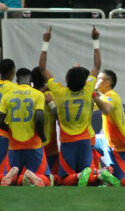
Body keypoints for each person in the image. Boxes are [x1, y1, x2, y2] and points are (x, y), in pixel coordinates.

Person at [38, 25, 100, 186]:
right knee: (89, 178)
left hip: (67, 142)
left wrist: (45, 43)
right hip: (85, 140)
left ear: (67, 79)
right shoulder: (87, 90)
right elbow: (97, 66)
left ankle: (81, 176)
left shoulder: (59, 92)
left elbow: (42, 68)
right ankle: (99, 176)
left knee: (65, 179)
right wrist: (95, 41)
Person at [0, 68, 51, 187]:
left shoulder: (7, 95)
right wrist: (42, 135)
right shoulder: (38, 95)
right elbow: (40, 118)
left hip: (14, 144)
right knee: (45, 179)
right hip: (33, 144)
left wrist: (10, 130)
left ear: (17, 80)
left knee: (12, 181)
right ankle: (30, 175)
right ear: (30, 80)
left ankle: (14, 176)